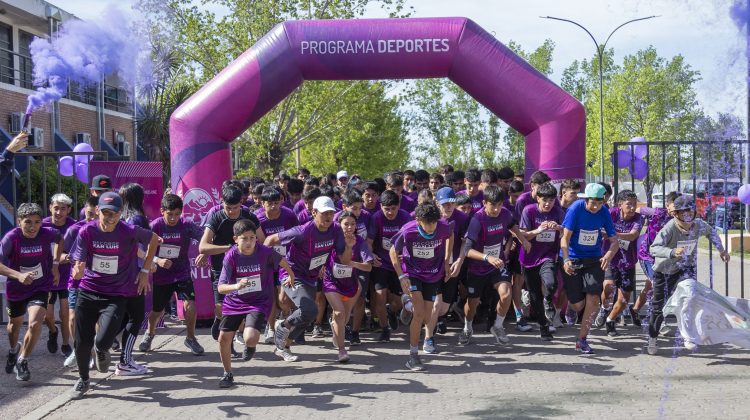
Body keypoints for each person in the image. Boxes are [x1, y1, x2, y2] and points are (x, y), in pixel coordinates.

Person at [68, 192, 160, 399]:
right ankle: (83, 380)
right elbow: (79, 262)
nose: (109, 218)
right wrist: (78, 270)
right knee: (82, 342)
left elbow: (154, 239)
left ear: (121, 214)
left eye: (115, 214)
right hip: (88, 291)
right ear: (98, 211)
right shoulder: (86, 232)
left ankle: (102, 350)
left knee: (103, 340)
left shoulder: (128, 231)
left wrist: (145, 271)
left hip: (115, 294)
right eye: (106, 213)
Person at [265, 196, 353, 362]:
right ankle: (282, 326)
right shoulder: (302, 231)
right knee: (309, 309)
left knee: (308, 315)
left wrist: (349, 245)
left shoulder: (335, 230)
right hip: (293, 274)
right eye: (324, 213)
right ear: (314, 213)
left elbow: (345, 260)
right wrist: (275, 265)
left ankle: (284, 347)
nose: (328, 217)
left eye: (331, 213)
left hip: (311, 276)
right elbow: (270, 240)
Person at [647, 196, 729, 354]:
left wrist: (721, 250)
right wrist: (671, 252)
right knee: (659, 307)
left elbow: (711, 233)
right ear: (675, 214)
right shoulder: (669, 228)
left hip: (686, 268)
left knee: (690, 298)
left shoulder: (699, 225)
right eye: (683, 213)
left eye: (689, 212)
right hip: (665, 271)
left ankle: (688, 335)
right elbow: (654, 248)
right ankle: (653, 337)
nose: (687, 216)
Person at [216, 219, 293, 387]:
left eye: (252, 238)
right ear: (235, 239)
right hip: (234, 301)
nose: (249, 242)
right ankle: (227, 373)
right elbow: (221, 288)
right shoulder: (230, 257)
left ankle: (250, 347)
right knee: (223, 338)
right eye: (244, 238)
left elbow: (282, 261)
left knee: (250, 338)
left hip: (258, 301)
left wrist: (291, 275)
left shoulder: (264, 251)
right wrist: (237, 285)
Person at [459, 186, 532, 346]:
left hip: (497, 265)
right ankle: (467, 327)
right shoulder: (477, 220)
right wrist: (486, 257)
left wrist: (523, 239)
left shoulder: (505, 213)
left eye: (499, 204)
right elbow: (467, 250)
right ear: (484, 203)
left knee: (506, 294)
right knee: (472, 305)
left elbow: (512, 225)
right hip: (477, 268)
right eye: (493, 205)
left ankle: (497, 326)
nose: (497, 209)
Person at [199, 185, 264, 357]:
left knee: (240, 310)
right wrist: (228, 248)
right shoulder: (216, 217)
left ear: (241, 203)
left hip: (245, 272)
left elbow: (262, 241)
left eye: (235, 208)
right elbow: (203, 246)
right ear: (222, 203)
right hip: (221, 271)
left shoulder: (249, 216)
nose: (232, 212)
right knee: (221, 308)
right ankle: (219, 320)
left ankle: (232, 340)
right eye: (228, 208)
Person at [139, 194, 208, 355]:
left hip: (182, 272)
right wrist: (157, 260)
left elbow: (205, 237)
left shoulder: (187, 225)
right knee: (157, 310)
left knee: (190, 304)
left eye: (177, 214)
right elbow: (142, 249)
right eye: (170, 214)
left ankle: (191, 338)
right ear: (162, 211)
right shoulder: (155, 226)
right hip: (162, 276)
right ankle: (149, 334)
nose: (173, 218)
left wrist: (204, 252)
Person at [1, 203, 62, 381]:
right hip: (17, 288)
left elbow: (60, 239)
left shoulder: (46, 233)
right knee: (14, 326)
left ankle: (23, 360)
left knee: (35, 323)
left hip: (40, 286)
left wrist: (56, 264)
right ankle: (13, 350)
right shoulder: (11, 238)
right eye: (28, 222)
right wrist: (18, 275)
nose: (33, 227)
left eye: (37, 222)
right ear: (19, 221)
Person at [391, 203, 455, 370]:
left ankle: (407, 305)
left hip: (433, 274)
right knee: (419, 314)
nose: (431, 227)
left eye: (434, 223)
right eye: (428, 223)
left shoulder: (442, 227)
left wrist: (447, 260)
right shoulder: (408, 230)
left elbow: (450, 235)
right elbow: (393, 251)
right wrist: (400, 275)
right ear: (419, 220)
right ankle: (413, 356)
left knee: (427, 317)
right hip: (413, 274)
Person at [560, 183, 619, 354]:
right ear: (585, 199)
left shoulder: (604, 212)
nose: (595, 207)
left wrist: (608, 255)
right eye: (592, 203)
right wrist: (565, 259)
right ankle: (572, 306)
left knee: (593, 300)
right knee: (579, 305)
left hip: (594, 259)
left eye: (599, 203)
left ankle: (582, 340)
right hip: (573, 258)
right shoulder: (575, 209)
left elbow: (614, 241)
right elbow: (565, 238)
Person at [323, 211, 373, 362]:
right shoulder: (331, 238)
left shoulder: (360, 242)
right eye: (346, 224)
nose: (349, 227)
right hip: (330, 281)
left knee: (343, 317)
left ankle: (337, 333)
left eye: (353, 224)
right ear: (339, 224)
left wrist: (353, 263)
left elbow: (368, 267)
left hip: (351, 284)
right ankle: (342, 350)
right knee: (339, 313)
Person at [115, 183, 153, 375]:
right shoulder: (135, 218)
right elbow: (136, 246)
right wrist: (147, 265)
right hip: (135, 274)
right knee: (134, 317)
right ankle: (125, 360)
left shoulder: (122, 218)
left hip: (122, 273)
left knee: (123, 316)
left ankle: (100, 347)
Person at [594, 190, 643, 337]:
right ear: (620, 204)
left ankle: (610, 320)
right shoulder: (611, 214)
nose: (633, 207)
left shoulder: (638, 218)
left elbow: (633, 235)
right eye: (629, 204)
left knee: (623, 300)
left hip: (628, 262)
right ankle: (604, 308)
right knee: (608, 287)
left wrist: (612, 235)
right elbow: (600, 229)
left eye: (635, 204)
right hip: (610, 258)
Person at [520, 183, 565, 340]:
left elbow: (566, 233)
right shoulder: (529, 211)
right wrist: (539, 230)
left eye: (552, 200)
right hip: (529, 258)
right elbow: (523, 235)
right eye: (544, 200)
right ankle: (544, 327)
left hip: (548, 256)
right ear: (537, 198)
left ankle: (548, 300)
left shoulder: (558, 212)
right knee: (534, 296)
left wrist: (559, 228)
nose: (548, 203)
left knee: (551, 283)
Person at [254, 186, 299, 344]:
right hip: (266, 263)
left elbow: (297, 236)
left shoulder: (289, 215)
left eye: (276, 202)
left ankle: (288, 321)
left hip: (284, 262)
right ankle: (271, 328)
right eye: (269, 203)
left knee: (283, 299)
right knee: (270, 297)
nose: (273, 207)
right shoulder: (257, 219)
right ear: (262, 203)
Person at [367, 190, 412, 342]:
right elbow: (368, 242)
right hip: (382, 263)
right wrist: (371, 255)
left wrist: (406, 254)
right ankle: (384, 329)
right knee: (380, 295)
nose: (391, 212)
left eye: (393, 208)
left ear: (398, 206)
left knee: (401, 302)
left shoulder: (405, 217)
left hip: (399, 264)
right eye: (387, 209)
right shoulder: (376, 218)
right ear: (381, 207)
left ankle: (391, 311)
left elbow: (411, 240)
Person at [61, 196, 99, 369]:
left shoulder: (107, 230)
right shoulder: (74, 229)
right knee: (72, 317)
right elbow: (61, 254)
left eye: (95, 215)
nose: (92, 219)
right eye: (89, 214)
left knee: (96, 320)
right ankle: (78, 351)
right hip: (76, 280)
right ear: (85, 210)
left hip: (97, 281)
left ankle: (95, 351)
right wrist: (69, 258)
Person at [633, 191, 681, 327]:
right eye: (674, 205)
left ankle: (635, 309)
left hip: (664, 257)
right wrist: (638, 221)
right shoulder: (657, 213)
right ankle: (658, 320)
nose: (677, 209)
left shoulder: (681, 219)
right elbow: (638, 209)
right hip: (647, 255)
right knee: (657, 286)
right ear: (667, 205)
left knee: (650, 286)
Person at [42, 193, 77, 357]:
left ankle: (65, 344)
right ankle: (53, 331)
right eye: (56, 208)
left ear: (68, 210)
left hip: (66, 277)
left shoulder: (74, 227)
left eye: (63, 209)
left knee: (65, 314)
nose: (59, 212)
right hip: (46, 278)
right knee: (46, 316)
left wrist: (66, 258)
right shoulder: (41, 225)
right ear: (50, 208)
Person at [433, 187, 468, 338]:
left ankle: (440, 317)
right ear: (437, 203)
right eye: (445, 203)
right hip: (433, 266)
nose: (448, 207)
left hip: (453, 265)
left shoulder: (462, 218)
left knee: (445, 305)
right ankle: (430, 327)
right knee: (434, 301)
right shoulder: (430, 216)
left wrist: (459, 261)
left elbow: (466, 242)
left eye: (451, 203)